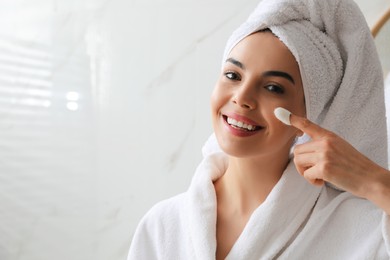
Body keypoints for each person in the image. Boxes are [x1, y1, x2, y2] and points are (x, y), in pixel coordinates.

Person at [128, 0, 390, 259]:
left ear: (308, 113)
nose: (242, 97)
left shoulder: (360, 227)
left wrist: (374, 181)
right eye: (233, 75)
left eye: (273, 87)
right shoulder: (163, 226)